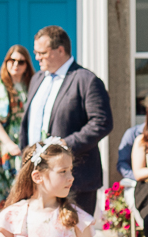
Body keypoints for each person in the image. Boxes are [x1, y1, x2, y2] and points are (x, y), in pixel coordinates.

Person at [23, 25, 113, 216]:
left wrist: (63, 145)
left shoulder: (86, 80)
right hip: (39, 176)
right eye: (36, 52)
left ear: (60, 50)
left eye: (42, 52)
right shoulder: (37, 79)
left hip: (74, 179)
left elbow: (102, 122)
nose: (37, 57)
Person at [0, 44, 32, 209]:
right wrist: (9, 143)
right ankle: (3, 228)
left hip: (27, 140)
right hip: (4, 142)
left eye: (20, 61)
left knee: (27, 184)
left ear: (27, 65)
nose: (15, 65)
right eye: (11, 60)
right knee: (3, 185)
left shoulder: (31, 84)